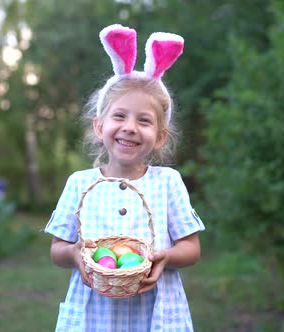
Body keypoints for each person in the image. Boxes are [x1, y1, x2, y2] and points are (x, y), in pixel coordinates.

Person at [44, 23, 205, 331]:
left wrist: (165, 257)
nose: (130, 127)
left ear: (159, 137)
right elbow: (57, 249)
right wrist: (75, 254)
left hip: (156, 314)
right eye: (119, 116)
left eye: (144, 121)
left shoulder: (168, 182)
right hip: (95, 316)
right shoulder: (80, 183)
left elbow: (191, 247)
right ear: (99, 126)